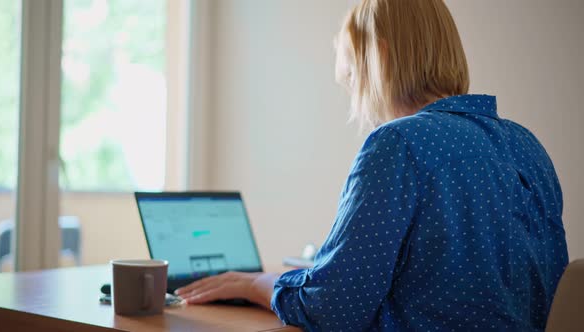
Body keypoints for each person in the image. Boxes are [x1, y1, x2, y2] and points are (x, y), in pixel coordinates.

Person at [175, 0, 569, 330]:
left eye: (351, 79)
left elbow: (332, 309)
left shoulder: (398, 143)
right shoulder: (527, 145)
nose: (357, 101)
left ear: (377, 57)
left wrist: (256, 284)